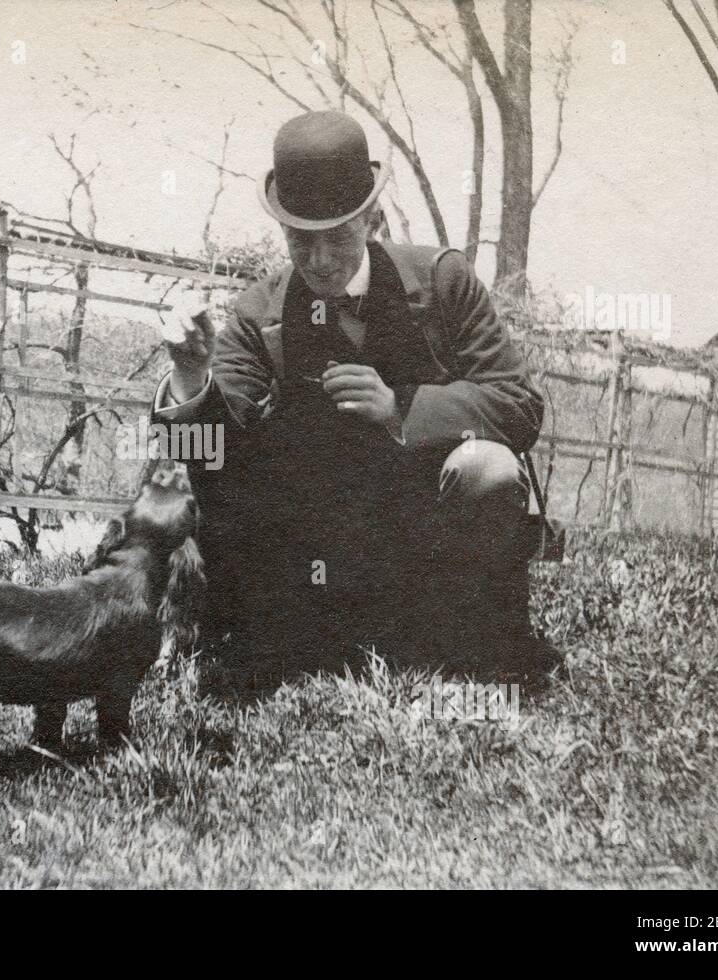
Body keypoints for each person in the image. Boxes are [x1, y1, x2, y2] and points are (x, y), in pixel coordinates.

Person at [154, 110, 546, 676]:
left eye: (336, 236)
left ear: (374, 220)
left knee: (488, 467)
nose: (318, 261)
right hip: (320, 553)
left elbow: (519, 404)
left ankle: (475, 648)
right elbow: (210, 459)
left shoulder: (442, 282)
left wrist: (400, 408)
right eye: (299, 240)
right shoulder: (258, 314)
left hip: (427, 539)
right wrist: (192, 378)